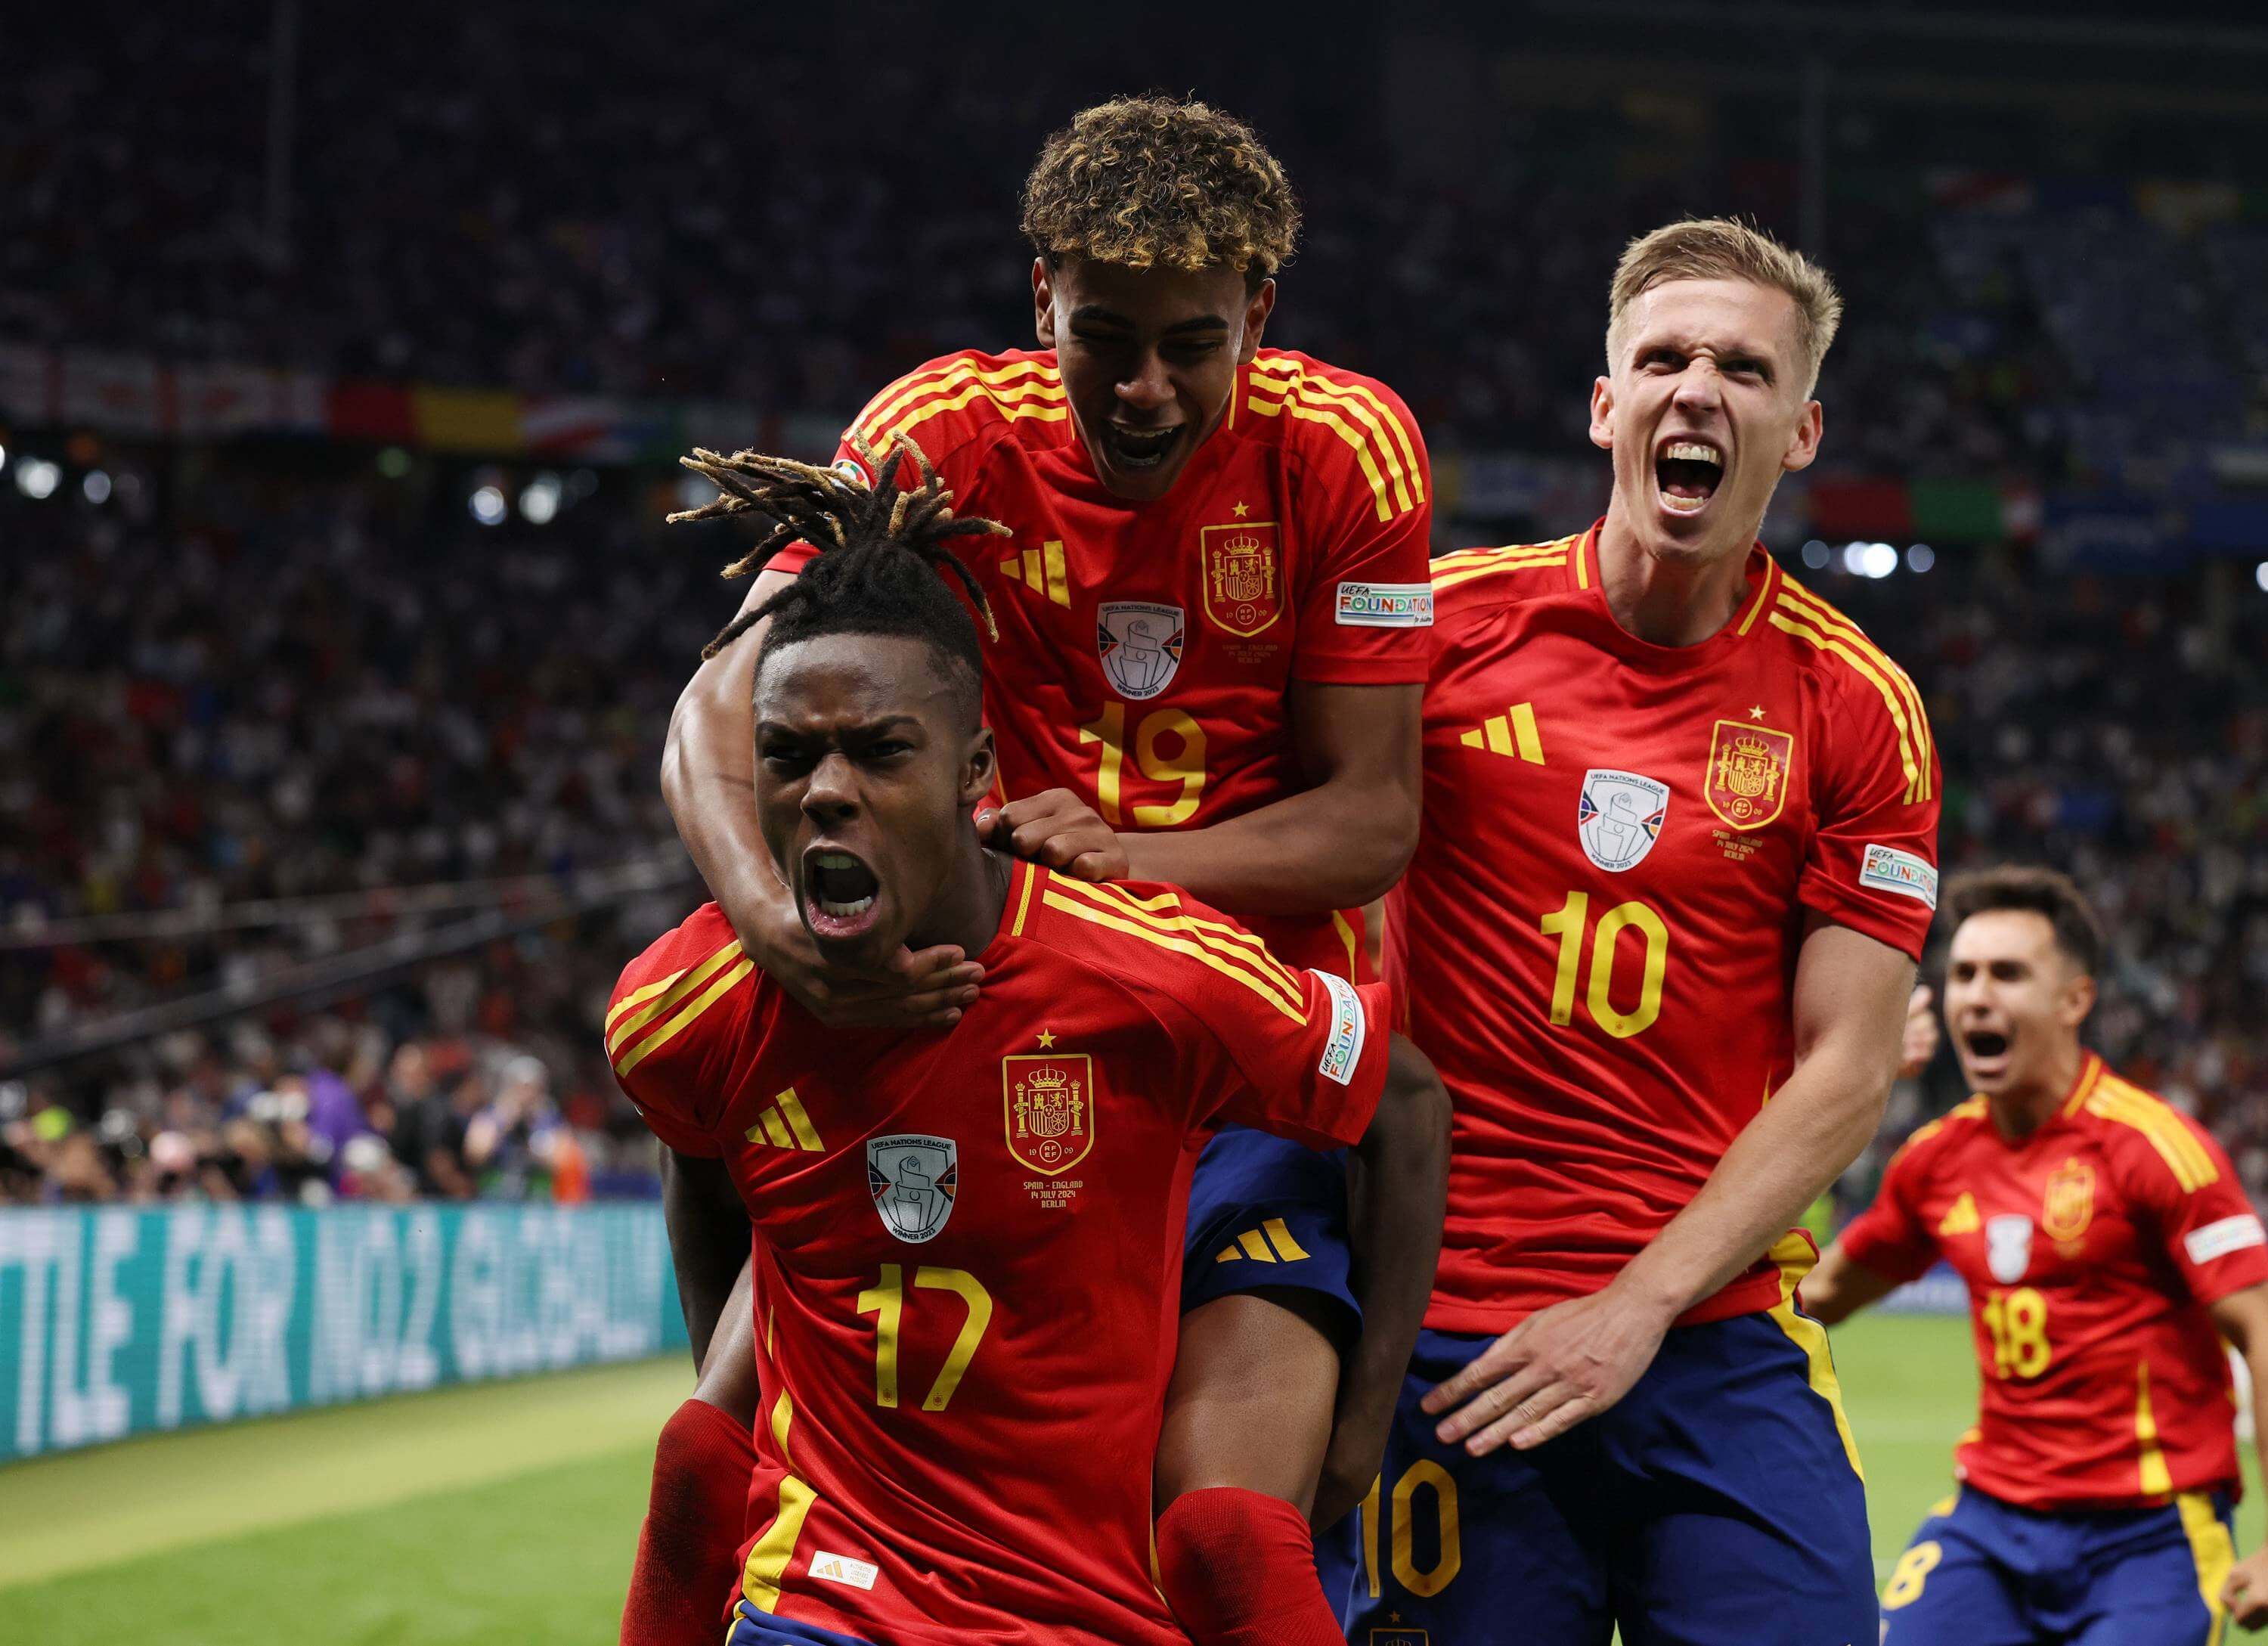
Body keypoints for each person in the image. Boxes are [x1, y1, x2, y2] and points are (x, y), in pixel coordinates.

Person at [652, 94, 1438, 1637]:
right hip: (975, 1024)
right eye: (1105, 337)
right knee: (709, 1441)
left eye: (1192, 343)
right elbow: (716, 704)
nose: (1144, 388)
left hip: (1231, 1047)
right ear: (1041, 302)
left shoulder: (1350, 447)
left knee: (1222, 1531)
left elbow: (1373, 821)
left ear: (1259, 316)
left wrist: (1130, 863)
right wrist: (774, 925)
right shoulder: (934, 436)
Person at [1335, 217, 1940, 1643]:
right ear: (1607, 403)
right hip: (1449, 1328)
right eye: (1663, 358)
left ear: (1799, 431)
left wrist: (1637, 1304)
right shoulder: (1438, 635)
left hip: (1714, 1333)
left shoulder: (1859, 707)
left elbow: (1848, 1067)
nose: (1699, 391)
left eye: (1744, 368)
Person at [1804, 866, 2268, 1642]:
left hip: (2148, 1532)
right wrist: (1848, 1087)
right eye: (1964, 974)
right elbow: (1814, 1294)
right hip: (1990, 1520)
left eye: (2008, 973)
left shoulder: (2153, 1148)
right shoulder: (1934, 1159)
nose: (1977, 995)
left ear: (2075, 999)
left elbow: (2259, 1322)